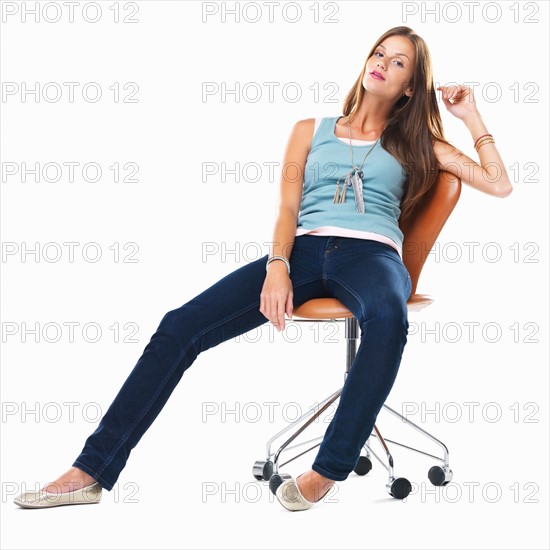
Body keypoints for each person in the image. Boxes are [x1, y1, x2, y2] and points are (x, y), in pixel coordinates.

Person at [14, 25, 512, 511]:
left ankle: (327, 470)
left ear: (409, 87)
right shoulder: (309, 131)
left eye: (398, 62)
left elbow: (498, 184)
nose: (382, 64)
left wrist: (470, 115)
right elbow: (287, 208)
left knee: (388, 316)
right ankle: (92, 470)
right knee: (178, 327)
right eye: (379, 53)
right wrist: (278, 266)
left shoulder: (417, 142)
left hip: (372, 255)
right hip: (299, 253)